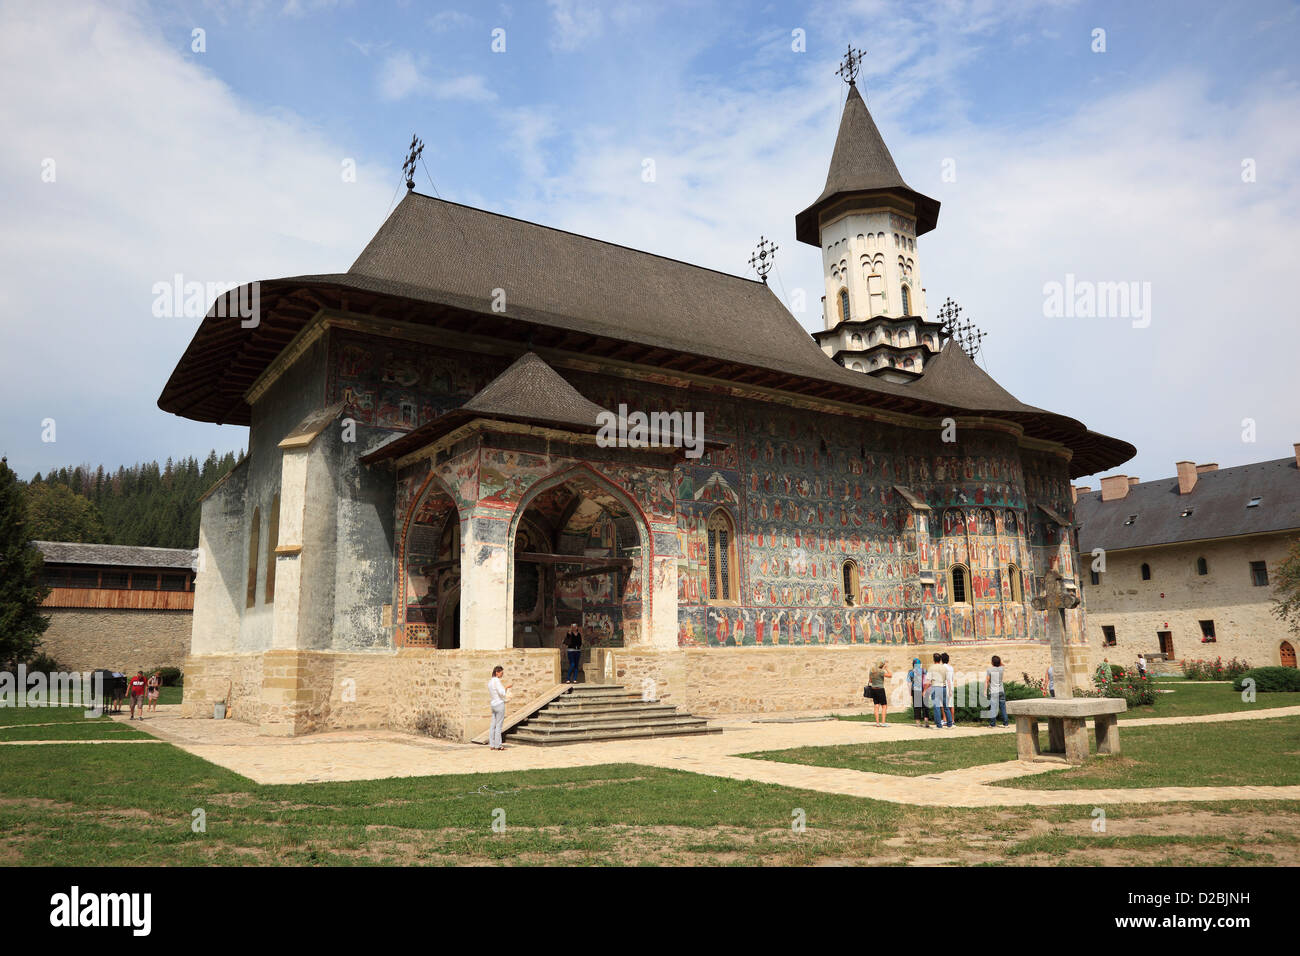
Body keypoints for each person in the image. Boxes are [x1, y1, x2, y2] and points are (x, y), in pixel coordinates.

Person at [488, 666, 511, 750]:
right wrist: (507, 687)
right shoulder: (497, 681)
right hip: (499, 704)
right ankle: (498, 745)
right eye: (501, 673)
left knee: (492, 725)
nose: (502, 674)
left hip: (493, 704)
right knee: (498, 726)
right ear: (497, 672)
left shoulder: (490, 682)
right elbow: (501, 693)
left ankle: (492, 744)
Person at [906, 657, 930, 728]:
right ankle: (926, 721)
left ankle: (918, 722)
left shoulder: (911, 672)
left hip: (915, 690)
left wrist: (910, 691)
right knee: (925, 706)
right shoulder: (924, 670)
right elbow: (928, 680)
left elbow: (909, 683)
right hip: (924, 689)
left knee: (917, 706)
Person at [985, 655, 1008, 728]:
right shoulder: (1001, 669)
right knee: (1003, 708)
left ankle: (992, 724)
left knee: (993, 708)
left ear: (992, 662)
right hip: (1001, 690)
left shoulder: (989, 670)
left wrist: (985, 690)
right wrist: (999, 662)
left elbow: (987, 681)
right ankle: (1006, 723)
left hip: (993, 691)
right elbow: (1002, 664)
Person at [867, 659, 891, 726]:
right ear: (882, 665)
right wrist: (887, 668)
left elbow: (870, 681)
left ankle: (877, 723)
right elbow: (890, 675)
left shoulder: (871, 671)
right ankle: (883, 723)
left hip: (873, 689)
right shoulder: (881, 672)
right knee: (884, 706)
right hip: (880, 689)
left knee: (876, 706)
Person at [929, 652, 948, 728]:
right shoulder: (944, 668)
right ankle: (950, 723)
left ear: (934, 659)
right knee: (945, 706)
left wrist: (925, 690)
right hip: (943, 687)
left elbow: (928, 679)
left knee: (936, 707)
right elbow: (947, 678)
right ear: (940, 659)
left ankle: (938, 725)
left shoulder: (931, 668)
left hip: (935, 687)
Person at [940, 652, 955, 727]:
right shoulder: (951, 667)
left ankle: (945, 719)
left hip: (945, 686)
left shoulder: (942, 667)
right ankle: (952, 720)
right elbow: (952, 678)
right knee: (951, 704)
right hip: (951, 685)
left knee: (943, 704)